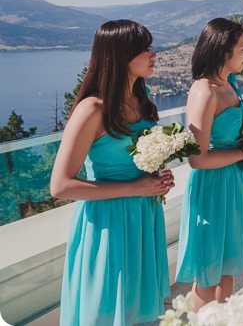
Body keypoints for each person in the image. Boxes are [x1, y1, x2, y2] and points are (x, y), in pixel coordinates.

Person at [51, 20, 173, 326]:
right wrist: (137, 187)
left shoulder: (142, 103)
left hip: (144, 216)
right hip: (108, 223)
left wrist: (158, 180)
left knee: (135, 308)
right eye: (145, 49)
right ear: (121, 56)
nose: (153, 54)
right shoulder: (92, 109)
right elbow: (61, 185)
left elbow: (138, 163)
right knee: (107, 310)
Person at [176, 18, 243, 309]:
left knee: (228, 267)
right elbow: (197, 159)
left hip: (237, 184)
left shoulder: (230, 86)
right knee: (208, 272)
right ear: (223, 50)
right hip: (213, 188)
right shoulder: (204, 91)